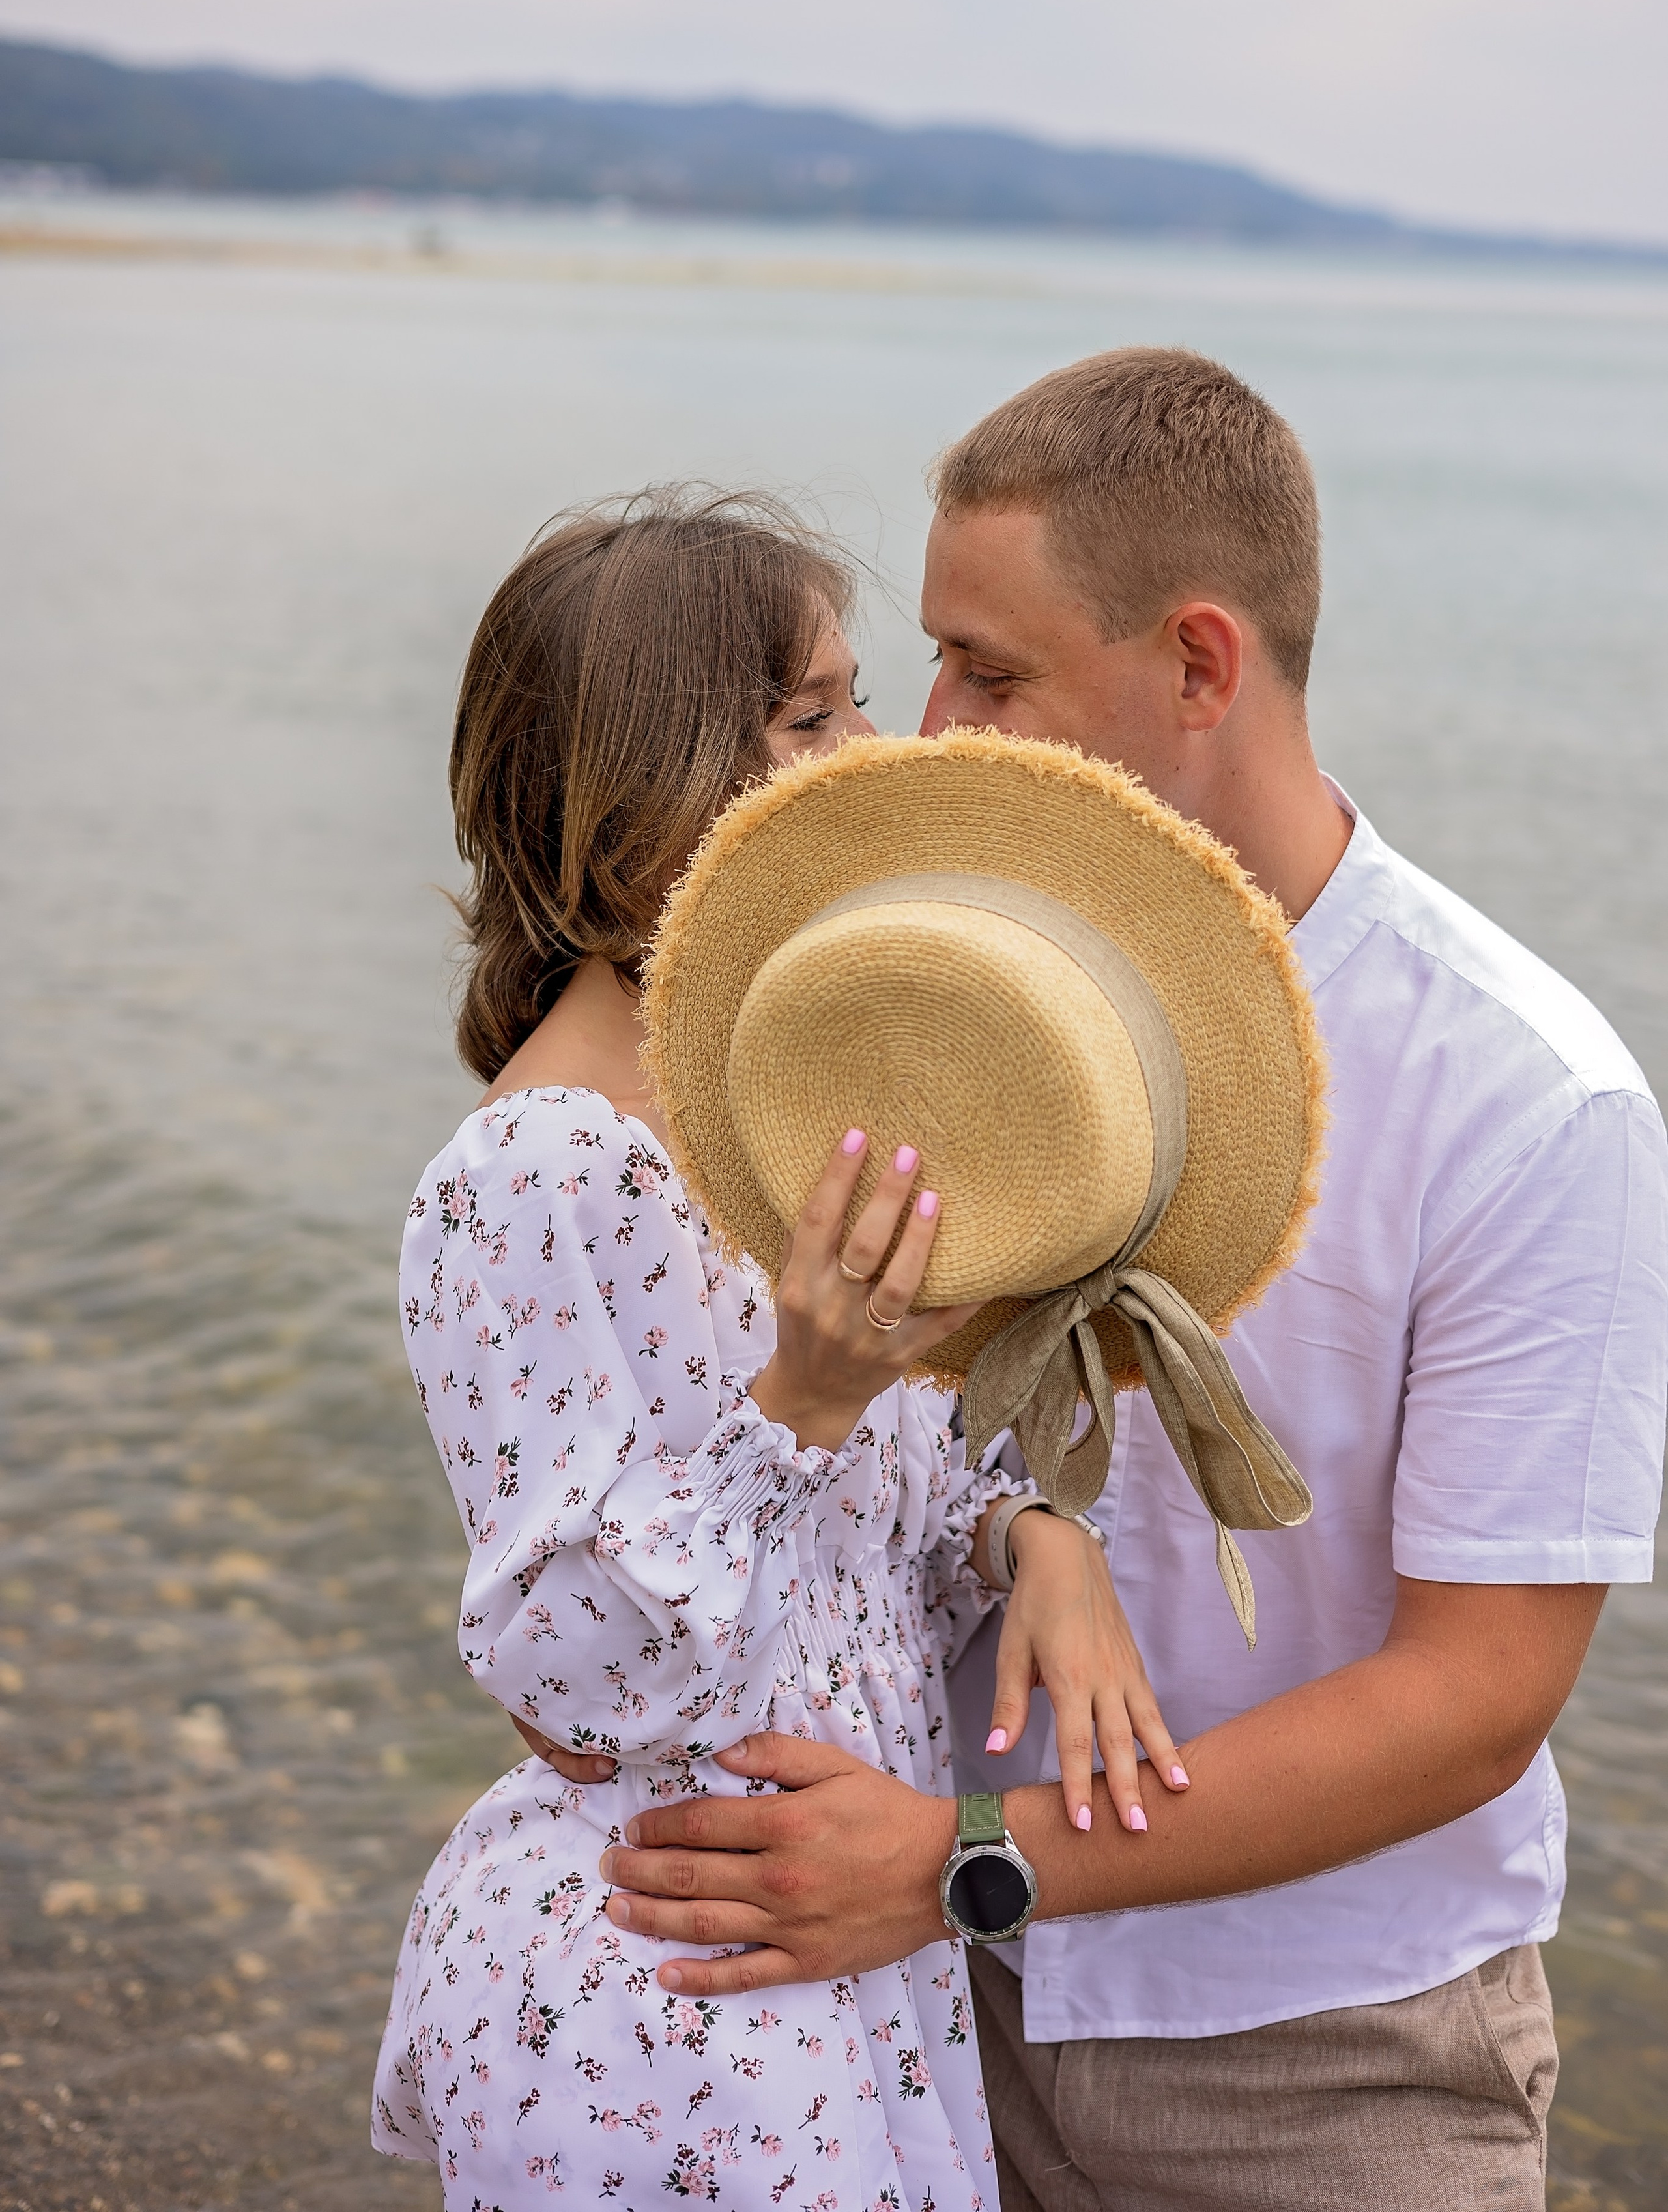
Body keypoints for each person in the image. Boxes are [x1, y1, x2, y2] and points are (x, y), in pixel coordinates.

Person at [586, 355, 1668, 2211]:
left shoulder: (1528, 1097)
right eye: (928, 659)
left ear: (1198, 665)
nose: (927, 724)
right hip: (916, 2016)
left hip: (1327, 2063)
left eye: (989, 670)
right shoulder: (914, 976)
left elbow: (1478, 1693)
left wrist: (959, 1854)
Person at [370, 486, 1186, 2210]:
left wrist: (1021, 1531)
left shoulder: (783, 1115)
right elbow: (567, 1678)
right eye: (817, 713)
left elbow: (860, 1538)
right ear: (646, 797)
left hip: (848, 1954)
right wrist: (803, 1395)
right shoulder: (538, 1171)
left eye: (860, 695)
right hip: (669, 1989)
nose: (883, 745)